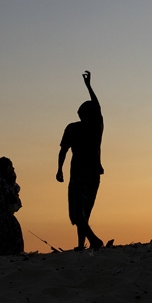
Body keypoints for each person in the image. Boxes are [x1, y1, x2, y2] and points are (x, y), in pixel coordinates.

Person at [56, 71, 110, 250]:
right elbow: (98, 106)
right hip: (91, 174)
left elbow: (63, 151)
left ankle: (93, 240)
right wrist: (88, 86)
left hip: (81, 175)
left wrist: (59, 170)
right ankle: (81, 244)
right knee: (83, 214)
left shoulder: (78, 128)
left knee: (78, 214)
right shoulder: (95, 127)